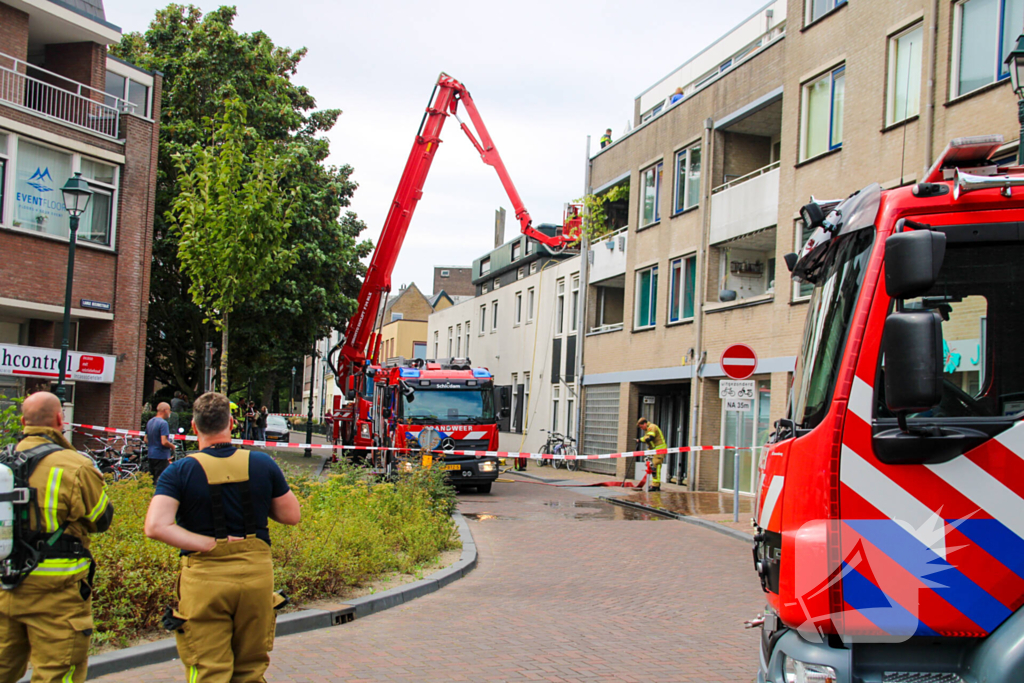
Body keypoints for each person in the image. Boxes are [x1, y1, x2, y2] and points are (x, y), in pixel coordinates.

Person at [145, 392, 301, 682]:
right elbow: (291, 515)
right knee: (250, 669)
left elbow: (156, 526)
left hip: (204, 581)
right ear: (232, 424)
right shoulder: (262, 464)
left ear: (194, 427)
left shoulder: (179, 472)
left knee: (209, 669)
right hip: (255, 578)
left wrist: (206, 543)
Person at [0, 392, 113, 683]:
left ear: (23, 422)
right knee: (57, 673)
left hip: (5, 586)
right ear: (60, 420)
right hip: (56, 595)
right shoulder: (75, 466)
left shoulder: (3, 464)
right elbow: (101, 519)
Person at [145, 402, 175, 484]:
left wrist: (153, 444)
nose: (170, 412)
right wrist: (172, 446)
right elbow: (164, 442)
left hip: (151, 454)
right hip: (161, 455)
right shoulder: (163, 423)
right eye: (169, 410)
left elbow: (145, 439)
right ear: (165, 410)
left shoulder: (150, 422)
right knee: (161, 480)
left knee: (152, 479)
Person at [637, 417, 667, 492]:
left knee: (656, 466)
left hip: (660, 450)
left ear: (644, 423)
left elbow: (650, 438)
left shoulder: (652, 427)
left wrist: (641, 439)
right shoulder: (648, 429)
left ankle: (655, 485)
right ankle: (655, 484)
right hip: (654, 450)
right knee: (651, 466)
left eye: (641, 427)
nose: (641, 429)